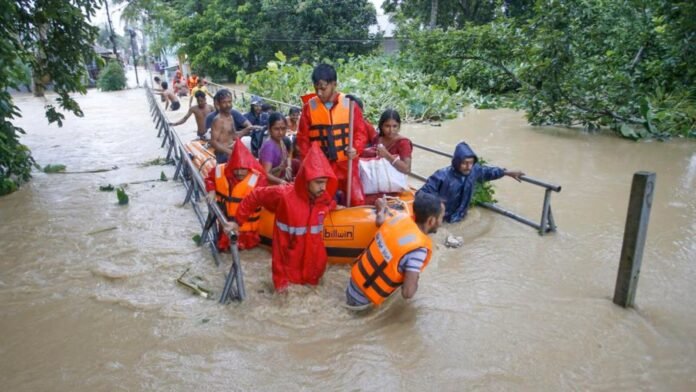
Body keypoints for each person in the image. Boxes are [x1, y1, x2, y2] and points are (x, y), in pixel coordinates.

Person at [225, 143, 338, 291]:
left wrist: (335, 206)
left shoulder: (323, 198)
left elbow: (328, 205)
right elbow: (255, 196)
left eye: (325, 183)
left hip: (314, 266)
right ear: (307, 180)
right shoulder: (284, 195)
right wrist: (237, 222)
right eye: (319, 183)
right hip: (287, 267)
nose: (323, 187)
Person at [345, 192, 444, 308]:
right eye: (441, 217)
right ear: (431, 221)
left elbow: (379, 221)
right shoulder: (419, 250)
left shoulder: (399, 218)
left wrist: (382, 208)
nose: (442, 222)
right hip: (364, 302)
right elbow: (408, 293)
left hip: (352, 285)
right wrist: (416, 279)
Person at [297, 63, 368, 206]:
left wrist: (356, 148)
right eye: (316, 88)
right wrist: (308, 165)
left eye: (323, 88)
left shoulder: (350, 105)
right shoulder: (309, 108)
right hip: (323, 167)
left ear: (334, 84)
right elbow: (303, 140)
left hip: (346, 164)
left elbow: (361, 133)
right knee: (323, 202)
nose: (319, 93)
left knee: (357, 200)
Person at [417, 141, 525, 223]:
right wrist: (438, 204)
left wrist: (506, 172)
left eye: (471, 163)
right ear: (456, 162)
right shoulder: (441, 176)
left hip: (461, 216)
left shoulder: (474, 170)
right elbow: (422, 194)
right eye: (465, 163)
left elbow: (488, 172)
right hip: (443, 219)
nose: (469, 167)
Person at [205, 141, 268, 250]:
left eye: (243, 169)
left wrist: (237, 222)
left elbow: (255, 202)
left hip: (248, 232)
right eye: (236, 168)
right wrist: (211, 190)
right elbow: (209, 179)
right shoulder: (220, 170)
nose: (239, 172)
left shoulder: (259, 179)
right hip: (226, 228)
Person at [360, 109, 412, 175]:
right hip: (374, 178)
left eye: (395, 126)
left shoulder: (403, 143)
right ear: (381, 126)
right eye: (387, 126)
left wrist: (387, 155)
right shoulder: (377, 138)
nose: (391, 130)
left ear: (399, 126)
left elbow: (407, 169)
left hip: (393, 182)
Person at [259, 112, 300, 185]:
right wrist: (281, 182)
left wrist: (289, 167)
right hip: (269, 187)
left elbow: (288, 155)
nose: (280, 132)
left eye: (283, 128)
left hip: (279, 179)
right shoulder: (269, 147)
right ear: (269, 129)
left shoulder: (280, 141)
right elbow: (265, 174)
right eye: (276, 129)